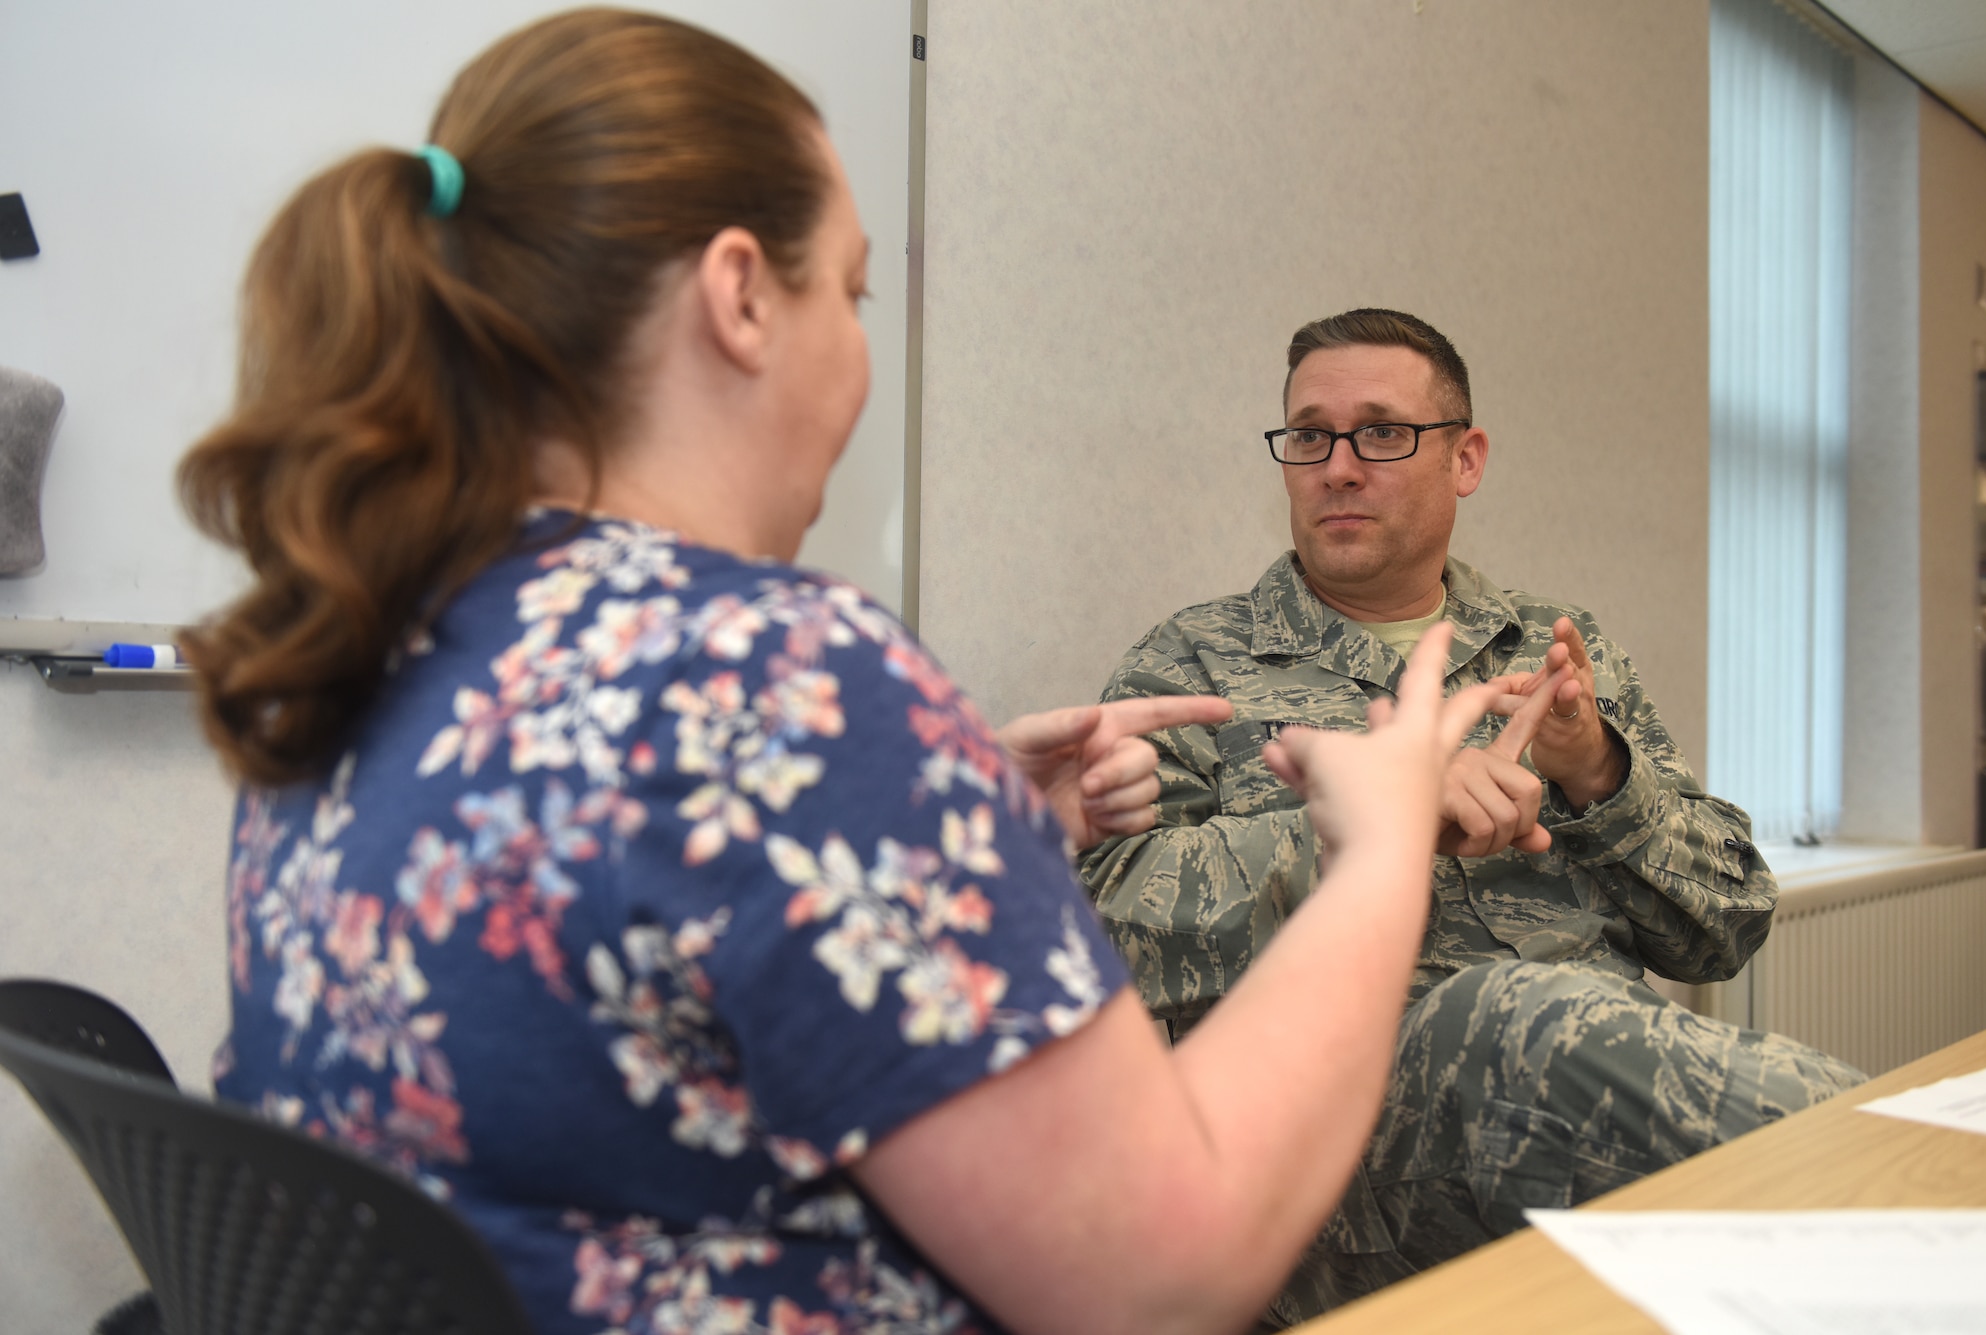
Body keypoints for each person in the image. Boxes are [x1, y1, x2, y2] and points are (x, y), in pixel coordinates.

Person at [183, 16, 1531, 1335]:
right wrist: (1384, 842)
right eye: (853, 287)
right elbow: (1160, 1276)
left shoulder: (367, 648)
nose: (860, 344)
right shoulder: (775, 681)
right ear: (741, 296)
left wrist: (946, 833)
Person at [1079, 308, 1866, 1324]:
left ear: (1465, 458)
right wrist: (1359, 826)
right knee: (1506, 1015)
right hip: (1332, 1163)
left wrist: (1596, 776)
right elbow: (1092, 939)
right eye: (1308, 435)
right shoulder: (1193, 665)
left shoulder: (1550, 652)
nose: (1338, 466)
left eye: (1381, 432)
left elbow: (1725, 924)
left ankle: (1922, 1177)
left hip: (1594, 1099)